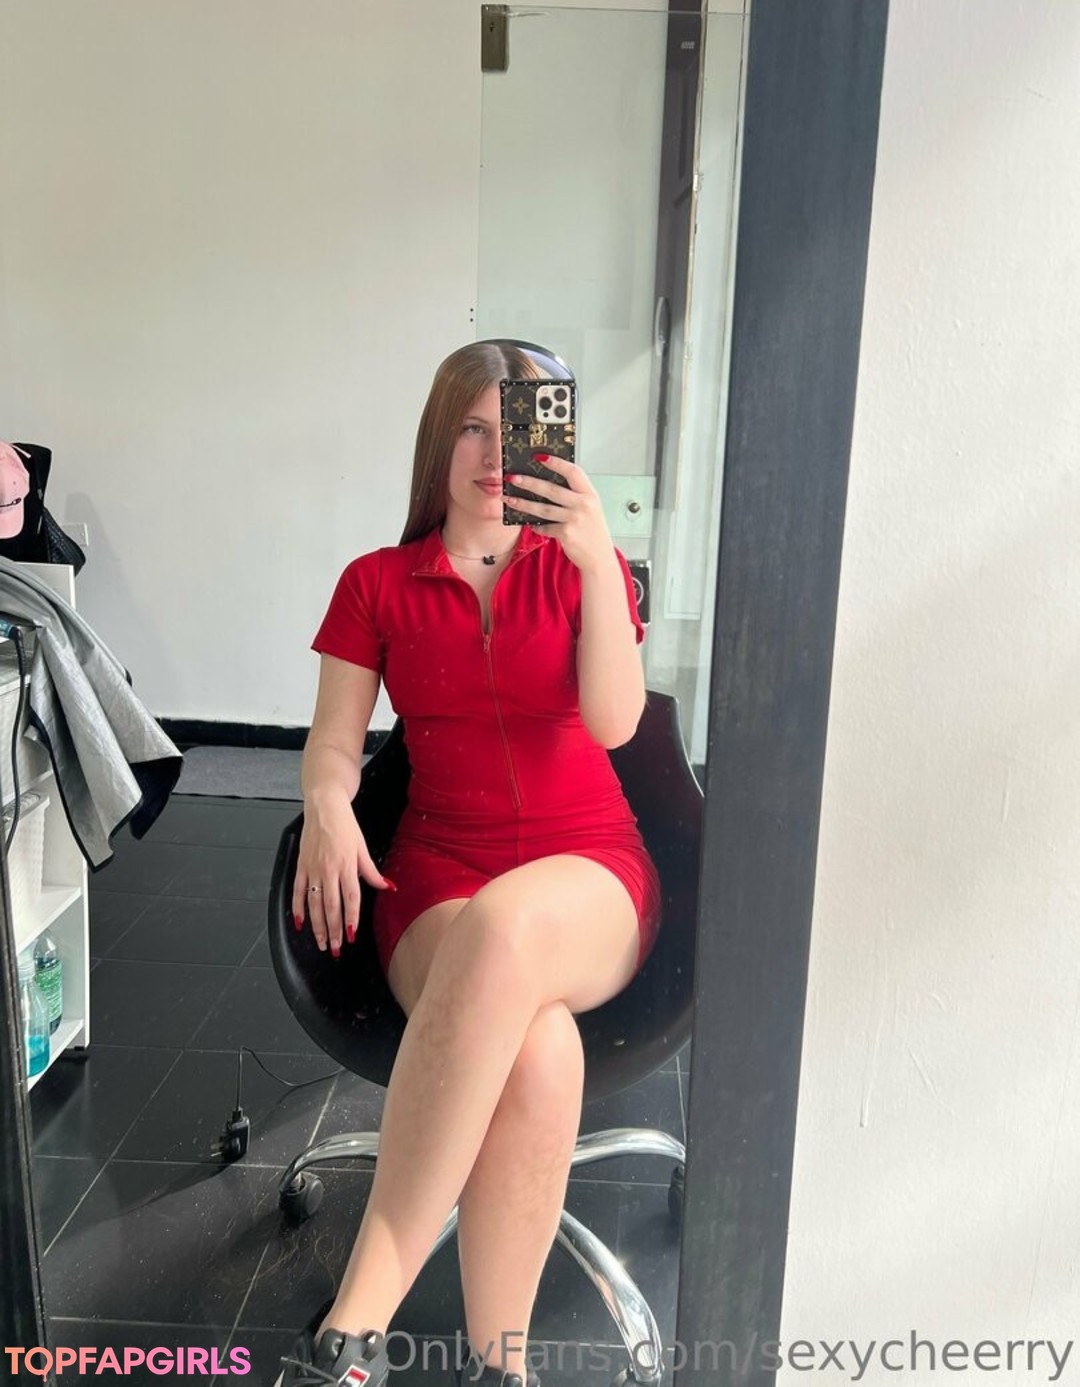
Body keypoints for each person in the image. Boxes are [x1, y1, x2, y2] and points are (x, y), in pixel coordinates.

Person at [276, 341, 662, 1387]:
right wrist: (326, 802)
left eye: (517, 431)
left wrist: (596, 560)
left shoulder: (584, 570)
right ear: (438, 442)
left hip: (589, 872)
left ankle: (355, 1324)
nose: (495, 456)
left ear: (554, 445)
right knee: (540, 1051)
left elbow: (616, 722)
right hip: (438, 878)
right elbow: (332, 743)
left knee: (510, 927)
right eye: (474, 429)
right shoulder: (376, 583)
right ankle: (504, 1365)